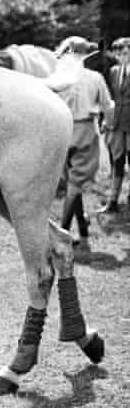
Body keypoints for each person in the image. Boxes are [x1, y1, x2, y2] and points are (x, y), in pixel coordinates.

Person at [45, 36, 114, 261]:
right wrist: (108, 122)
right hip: (84, 132)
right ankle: (62, 233)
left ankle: (82, 231)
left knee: (73, 186)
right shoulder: (95, 78)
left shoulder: (57, 78)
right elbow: (108, 105)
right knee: (76, 186)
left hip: (60, 132)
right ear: (86, 55)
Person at [100, 36, 130, 213]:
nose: (122, 55)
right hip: (116, 124)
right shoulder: (113, 71)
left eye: (126, 51)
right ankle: (113, 201)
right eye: (119, 52)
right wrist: (106, 119)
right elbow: (111, 98)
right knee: (117, 161)